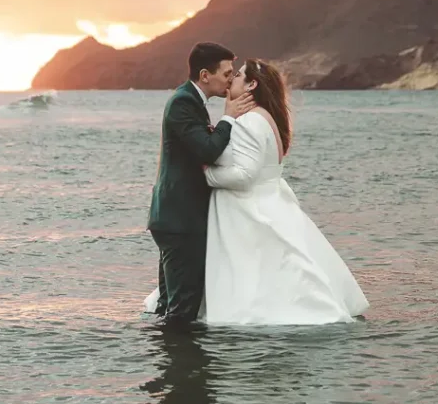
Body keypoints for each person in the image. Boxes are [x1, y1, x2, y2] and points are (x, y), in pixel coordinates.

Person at [145, 58, 369, 325]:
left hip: (246, 206)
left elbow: (244, 174)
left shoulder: (251, 121)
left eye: (237, 75)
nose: (231, 80)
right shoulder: (267, 117)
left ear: (252, 84)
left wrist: (205, 174)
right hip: (268, 201)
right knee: (268, 266)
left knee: (249, 269)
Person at [146, 42, 255, 326]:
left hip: (176, 219)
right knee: (182, 311)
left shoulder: (191, 101)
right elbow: (208, 150)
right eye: (227, 73)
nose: (231, 80)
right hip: (179, 221)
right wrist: (229, 117)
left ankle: (169, 363)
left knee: (170, 307)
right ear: (205, 75)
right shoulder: (183, 102)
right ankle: (181, 367)